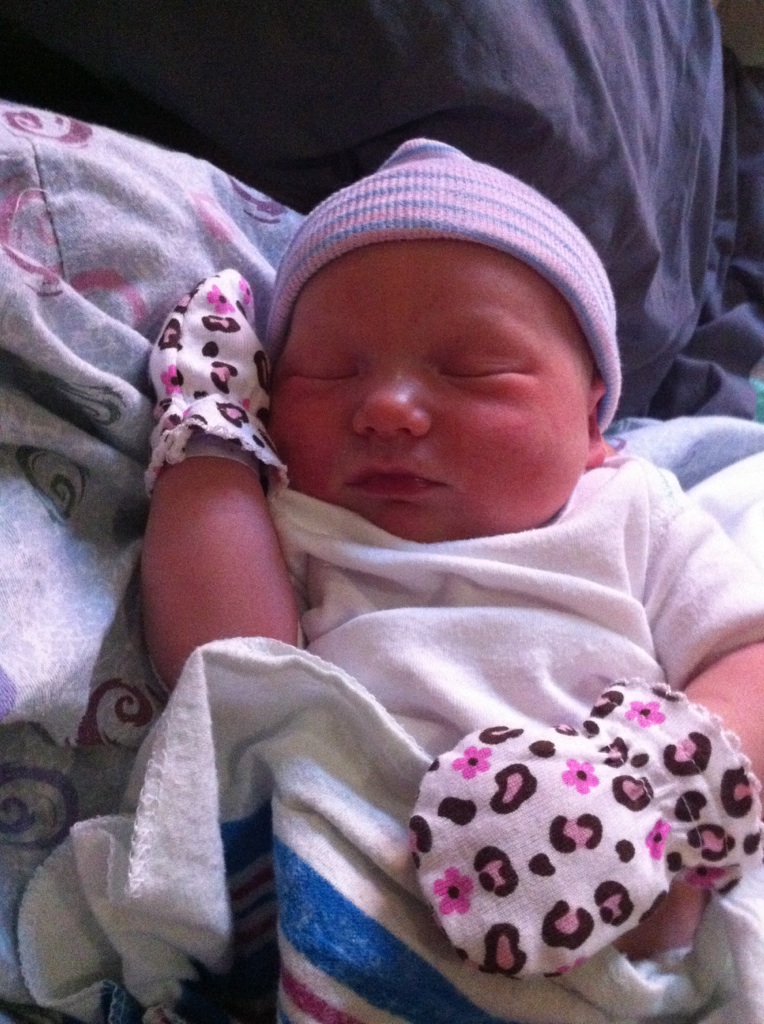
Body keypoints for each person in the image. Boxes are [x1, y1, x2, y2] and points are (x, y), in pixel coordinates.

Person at [140, 139, 764, 979]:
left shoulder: (629, 509)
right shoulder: (298, 511)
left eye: (475, 370)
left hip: (628, 912)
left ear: (592, 424)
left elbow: (749, 657)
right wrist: (212, 438)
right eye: (328, 373)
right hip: (349, 914)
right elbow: (228, 671)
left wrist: (642, 777)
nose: (387, 408)